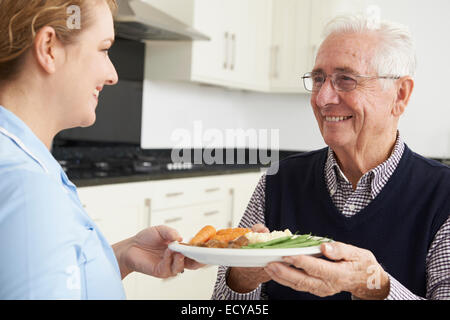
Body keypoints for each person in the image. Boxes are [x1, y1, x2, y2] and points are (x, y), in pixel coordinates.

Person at [212, 14, 450, 300]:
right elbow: (223, 300)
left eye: (346, 80)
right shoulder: (279, 181)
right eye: (318, 79)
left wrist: (374, 287)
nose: (322, 98)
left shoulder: (442, 196)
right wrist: (243, 277)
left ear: (400, 94)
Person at [0, 0, 202, 299]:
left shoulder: (22, 163)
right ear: (49, 48)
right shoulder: (28, 186)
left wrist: (120, 256)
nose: (112, 75)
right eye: (104, 49)